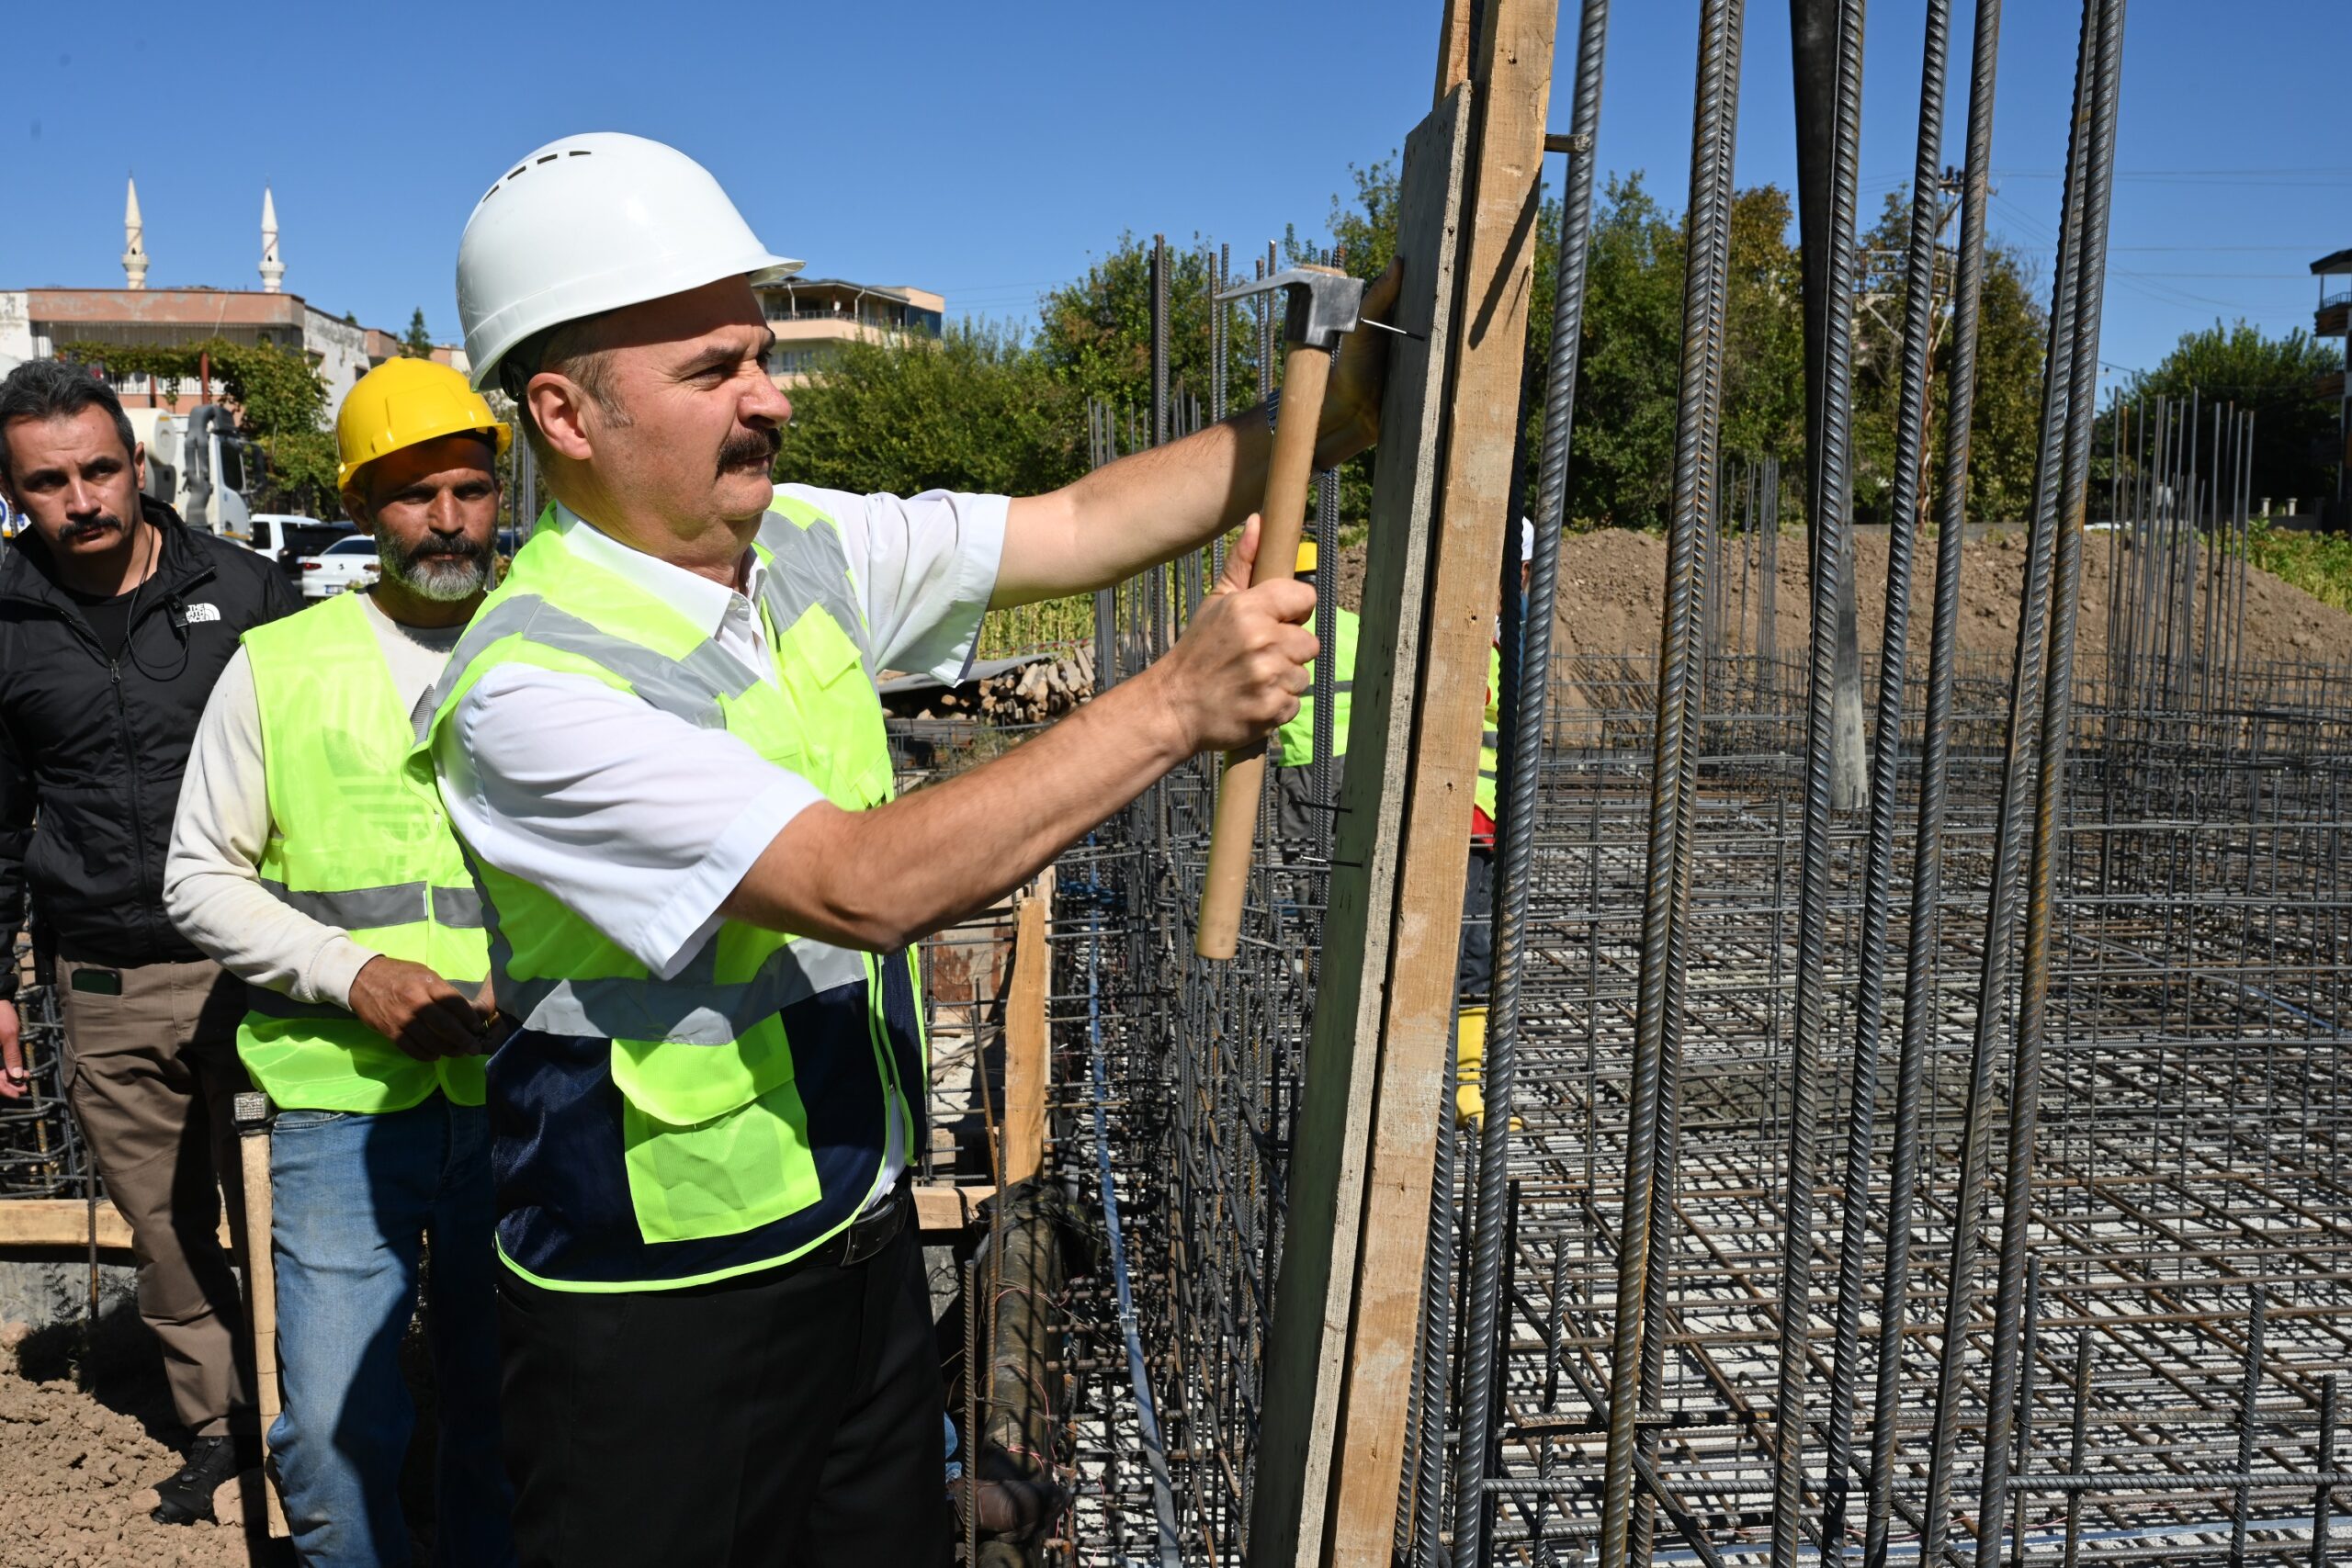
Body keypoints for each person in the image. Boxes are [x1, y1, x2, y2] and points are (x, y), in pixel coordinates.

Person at [414, 131, 1393, 1567]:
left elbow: (1076, 523)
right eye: (712, 371)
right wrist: (1177, 702)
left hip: (859, 1231)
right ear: (564, 411)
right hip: (657, 1304)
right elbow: (855, 882)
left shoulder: (799, 548)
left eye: (762, 356)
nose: (769, 397)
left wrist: (1329, 411)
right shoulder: (530, 689)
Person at [164, 357, 518, 1566]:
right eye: (414, 494)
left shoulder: (556, 651)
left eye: (470, 488)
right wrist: (354, 973)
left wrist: (530, 985)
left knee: (511, 1408)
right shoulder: (281, 663)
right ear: (361, 505)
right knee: (327, 1434)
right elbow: (198, 875)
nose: (448, 519)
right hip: (336, 1099)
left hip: (527, 1093)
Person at [0, 359, 298, 1523]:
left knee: (286, 1213)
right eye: (48, 483)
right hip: (107, 977)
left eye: (99, 470)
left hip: (254, 966)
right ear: (14, 494)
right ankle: (223, 1430)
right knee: (167, 1233)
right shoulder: (6, 623)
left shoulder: (250, 590)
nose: (81, 501)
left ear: (138, 464)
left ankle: (313, 1419)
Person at [1268, 526, 1528, 1124]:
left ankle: (1331, 996)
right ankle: (1455, 1084)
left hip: (1308, 776)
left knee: (1325, 899)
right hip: (1412, 791)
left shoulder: (1274, 637)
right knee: (1463, 942)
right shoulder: (1362, 629)